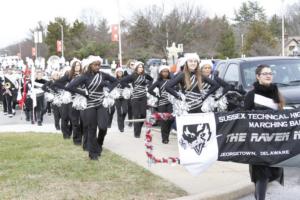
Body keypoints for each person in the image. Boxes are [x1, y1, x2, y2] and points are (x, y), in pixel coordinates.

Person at [243, 64, 285, 200]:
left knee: (272, 173)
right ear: (258, 76)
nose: (268, 75)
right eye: (265, 73)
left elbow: (282, 116)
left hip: (273, 141)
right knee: (261, 175)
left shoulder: (276, 94)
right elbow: (245, 118)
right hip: (257, 142)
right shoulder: (251, 95)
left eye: (270, 73)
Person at [66, 55, 118, 160]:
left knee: (103, 127)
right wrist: (83, 93)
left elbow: (116, 81)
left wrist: (108, 89)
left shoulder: (103, 75)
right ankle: (92, 153)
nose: (98, 67)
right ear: (90, 65)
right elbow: (70, 87)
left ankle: (99, 144)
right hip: (89, 105)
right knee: (91, 129)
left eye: (99, 65)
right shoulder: (84, 76)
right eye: (95, 65)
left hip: (101, 103)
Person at [120, 61, 153, 138]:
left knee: (143, 115)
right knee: (136, 115)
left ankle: (139, 129)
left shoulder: (145, 75)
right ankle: (136, 133)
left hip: (143, 96)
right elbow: (122, 81)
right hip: (135, 97)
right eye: (139, 67)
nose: (141, 68)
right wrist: (129, 86)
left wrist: (148, 85)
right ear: (136, 68)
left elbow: (151, 80)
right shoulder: (133, 75)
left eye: (142, 67)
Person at [148, 65, 174, 144]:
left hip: (170, 102)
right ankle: (164, 138)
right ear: (160, 73)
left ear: (168, 72)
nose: (165, 73)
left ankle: (167, 135)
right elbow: (150, 89)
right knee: (163, 120)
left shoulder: (172, 80)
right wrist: (157, 96)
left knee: (170, 119)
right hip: (162, 103)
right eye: (163, 71)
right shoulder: (159, 82)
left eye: (166, 71)